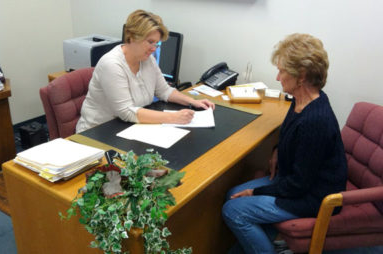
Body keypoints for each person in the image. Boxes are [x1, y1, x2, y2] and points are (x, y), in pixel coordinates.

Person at [222, 33, 347, 254]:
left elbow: (298, 186)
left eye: (282, 71)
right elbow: (294, 138)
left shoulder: (315, 120)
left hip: (312, 197)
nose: (277, 77)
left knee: (233, 210)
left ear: (301, 76)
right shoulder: (301, 100)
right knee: (232, 192)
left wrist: (256, 192)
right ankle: (273, 241)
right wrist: (277, 150)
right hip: (294, 181)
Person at [76, 10, 214, 132]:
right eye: (150, 42)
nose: (154, 49)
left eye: (157, 43)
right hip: (97, 132)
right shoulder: (112, 64)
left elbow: (164, 91)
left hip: (128, 127)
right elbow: (127, 112)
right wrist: (173, 117)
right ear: (131, 37)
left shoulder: (148, 60)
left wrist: (192, 101)